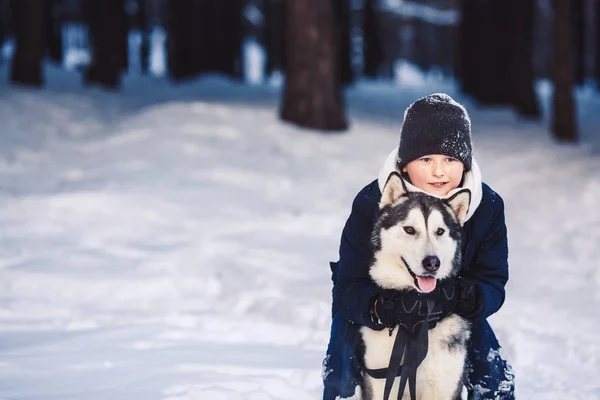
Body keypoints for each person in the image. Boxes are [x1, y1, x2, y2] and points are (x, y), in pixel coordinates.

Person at [322, 93, 515, 400]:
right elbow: (349, 284)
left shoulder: (485, 206)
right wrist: (379, 306)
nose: (439, 171)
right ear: (406, 164)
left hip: (453, 308)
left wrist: (466, 297)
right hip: (377, 303)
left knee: (494, 379)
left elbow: (493, 279)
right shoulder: (374, 201)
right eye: (426, 159)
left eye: (450, 160)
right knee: (340, 372)